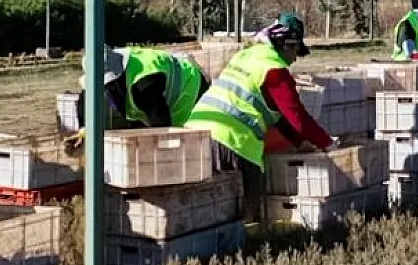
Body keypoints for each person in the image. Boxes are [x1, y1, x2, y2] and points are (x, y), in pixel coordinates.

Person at [184, 13, 332, 219]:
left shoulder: (247, 55)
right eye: (297, 51)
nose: (296, 58)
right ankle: (247, 245)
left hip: (196, 131)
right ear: (288, 45)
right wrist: (327, 143)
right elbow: (297, 117)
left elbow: (277, 118)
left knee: (203, 209)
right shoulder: (275, 70)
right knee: (246, 210)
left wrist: (299, 142)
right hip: (232, 141)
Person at [71, 47, 208, 145]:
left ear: (118, 75)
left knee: (186, 140)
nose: (106, 89)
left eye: (108, 83)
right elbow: (86, 96)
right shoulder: (110, 59)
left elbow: (161, 124)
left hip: (191, 86)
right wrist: (83, 130)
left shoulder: (144, 83)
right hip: (158, 90)